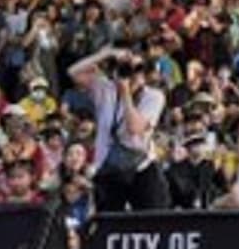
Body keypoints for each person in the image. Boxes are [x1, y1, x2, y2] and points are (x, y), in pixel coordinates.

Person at [68, 45, 169, 212]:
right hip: (108, 168)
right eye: (127, 68)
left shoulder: (154, 96)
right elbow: (74, 72)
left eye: (138, 69)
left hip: (140, 167)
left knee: (152, 221)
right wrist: (106, 54)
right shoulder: (105, 89)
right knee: (109, 223)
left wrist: (126, 93)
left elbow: (135, 128)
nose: (133, 74)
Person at [166, 133, 225, 210]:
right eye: (196, 144)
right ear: (188, 147)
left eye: (202, 143)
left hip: (210, 209)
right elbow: (182, 192)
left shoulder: (211, 165)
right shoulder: (176, 169)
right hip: (185, 210)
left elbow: (222, 188)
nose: (200, 146)